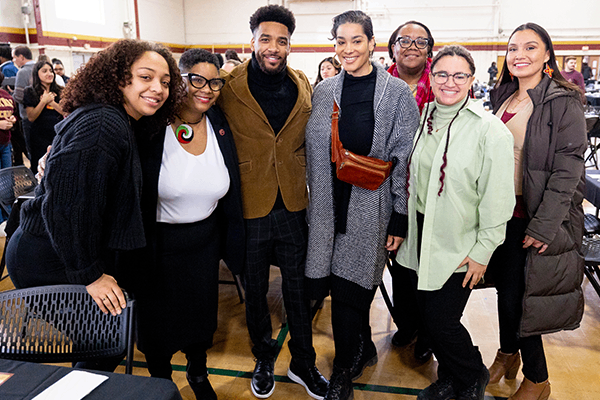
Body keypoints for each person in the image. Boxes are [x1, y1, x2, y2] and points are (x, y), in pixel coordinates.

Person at [6, 39, 183, 344]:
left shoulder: (118, 118)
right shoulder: (104, 124)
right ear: (117, 77)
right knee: (105, 342)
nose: (158, 88)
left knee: (107, 341)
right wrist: (90, 275)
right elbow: (66, 207)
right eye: (146, 77)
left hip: (60, 249)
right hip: (49, 256)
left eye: (165, 82)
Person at [305, 10, 419, 400]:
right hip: (325, 208)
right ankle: (360, 348)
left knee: (352, 290)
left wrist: (400, 217)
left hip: (371, 207)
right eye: (340, 41)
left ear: (372, 43)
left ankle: (341, 372)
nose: (348, 49)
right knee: (335, 288)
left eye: (357, 40)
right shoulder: (324, 90)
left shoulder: (396, 93)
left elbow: (406, 160)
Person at [217, 5, 328, 399]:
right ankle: (263, 356)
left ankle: (304, 362)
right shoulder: (228, 87)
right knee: (256, 293)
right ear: (252, 41)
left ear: (289, 46)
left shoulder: (301, 84)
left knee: (299, 290)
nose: (273, 47)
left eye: (282, 41)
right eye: (266, 39)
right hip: (248, 206)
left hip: (294, 204)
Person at [121, 48, 244, 400]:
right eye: (196, 79)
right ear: (180, 80)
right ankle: (161, 379)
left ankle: (198, 370)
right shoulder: (151, 124)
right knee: (158, 325)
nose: (206, 88)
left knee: (200, 318)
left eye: (215, 81)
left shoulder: (220, 122)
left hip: (205, 242)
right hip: (157, 244)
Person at [396, 45, 515, 400]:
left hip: (460, 243)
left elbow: (499, 201)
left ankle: (471, 376)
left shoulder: (490, 131)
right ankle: (450, 377)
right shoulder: (421, 119)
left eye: (459, 75)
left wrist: (482, 253)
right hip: (420, 236)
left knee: (441, 321)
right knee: (428, 319)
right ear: (431, 78)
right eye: (442, 74)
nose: (450, 82)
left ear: (472, 80)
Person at [487, 23, 586, 400]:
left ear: (548, 55)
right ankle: (507, 354)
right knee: (505, 292)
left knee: (521, 297)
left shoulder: (562, 99)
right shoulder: (506, 94)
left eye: (531, 47)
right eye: (513, 48)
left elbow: (568, 169)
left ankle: (538, 379)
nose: (520, 55)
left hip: (536, 216)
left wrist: (544, 226)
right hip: (504, 214)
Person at [385, 20, 435, 360]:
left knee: (429, 264)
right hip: (388, 187)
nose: (413, 46)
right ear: (391, 47)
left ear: (430, 49)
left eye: (421, 41)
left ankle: (430, 332)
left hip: (432, 188)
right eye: (405, 40)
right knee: (400, 263)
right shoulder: (377, 83)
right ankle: (407, 324)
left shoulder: (443, 80)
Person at [22, 60, 64, 174]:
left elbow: (66, 112)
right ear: (37, 74)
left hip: (57, 133)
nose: (49, 73)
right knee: (39, 166)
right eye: (44, 71)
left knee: (58, 165)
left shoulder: (60, 91)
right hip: (38, 135)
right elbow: (31, 117)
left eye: (51, 71)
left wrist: (52, 103)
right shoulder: (30, 91)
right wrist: (43, 102)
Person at [12, 45, 35, 163]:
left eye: (14, 57)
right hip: (45, 115)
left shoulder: (23, 72)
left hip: (28, 116)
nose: (13, 61)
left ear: (21, 57)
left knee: (31, 150)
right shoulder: (41, 67)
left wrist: (12, 95)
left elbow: (20, 97)